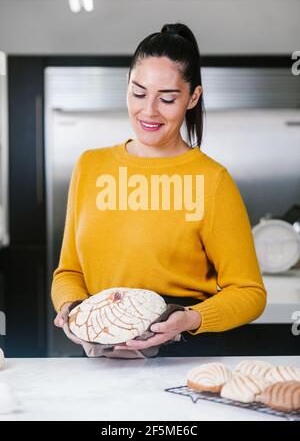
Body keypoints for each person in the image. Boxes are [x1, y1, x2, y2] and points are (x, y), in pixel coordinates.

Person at [52, 22, 266, 357]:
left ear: (193, 97)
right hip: (101, 359)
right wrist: (73, 308)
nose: (148, 111)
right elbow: (69, 272)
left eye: (167, 98)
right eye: (138, 93)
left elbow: (250, 292)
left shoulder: (212, 180)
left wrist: (191, 319)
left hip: (182, 360)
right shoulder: (90, 167)